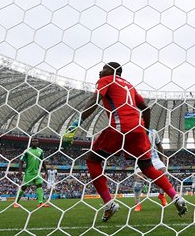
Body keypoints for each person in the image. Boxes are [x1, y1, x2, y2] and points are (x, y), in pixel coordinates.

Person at [62, 62, 187, 222]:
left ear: (114, 71)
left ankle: (109, 204)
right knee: (147, 168)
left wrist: (75, 125)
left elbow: (95, 100)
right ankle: (176, 197)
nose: (100, 71)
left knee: (92, 161)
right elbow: (146, 109)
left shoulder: (107, 79)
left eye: (104, 68)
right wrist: (145, 132)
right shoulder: (129, 85)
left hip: (120, 127)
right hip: (138, 130)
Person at [133, 129, 168, 212]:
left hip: (154, 158)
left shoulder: (154, 132)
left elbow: (159, 145)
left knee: (165, 173)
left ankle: (161, 195)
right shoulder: (134, 131)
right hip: (141, 158)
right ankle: (137, 204)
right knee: (139, 178)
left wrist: (162, 157)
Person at [14, 138, 50, 208]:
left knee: (39, 185)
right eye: (33, 141)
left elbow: (43, 161)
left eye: (36, 141)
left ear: (38, 143)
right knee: (24, 187)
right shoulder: (27, 151)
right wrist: (20, 171)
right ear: (31, 143)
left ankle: (40, 203)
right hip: (28, 173)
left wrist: (46, 171)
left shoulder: (40, 151)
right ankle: (16, 202)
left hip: (37, 172)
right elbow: (21, 161)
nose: (34, 142)